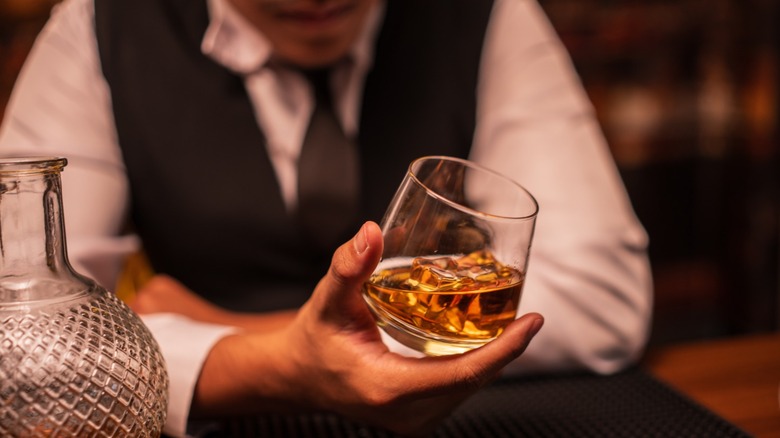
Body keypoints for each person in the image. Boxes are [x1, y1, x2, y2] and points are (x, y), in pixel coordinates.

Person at [0, 0, 654, 436]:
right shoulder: (99, 24)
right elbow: (16, 340)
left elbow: (602, 301)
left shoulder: (489, 14)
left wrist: (230, 332)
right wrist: (278, 366)